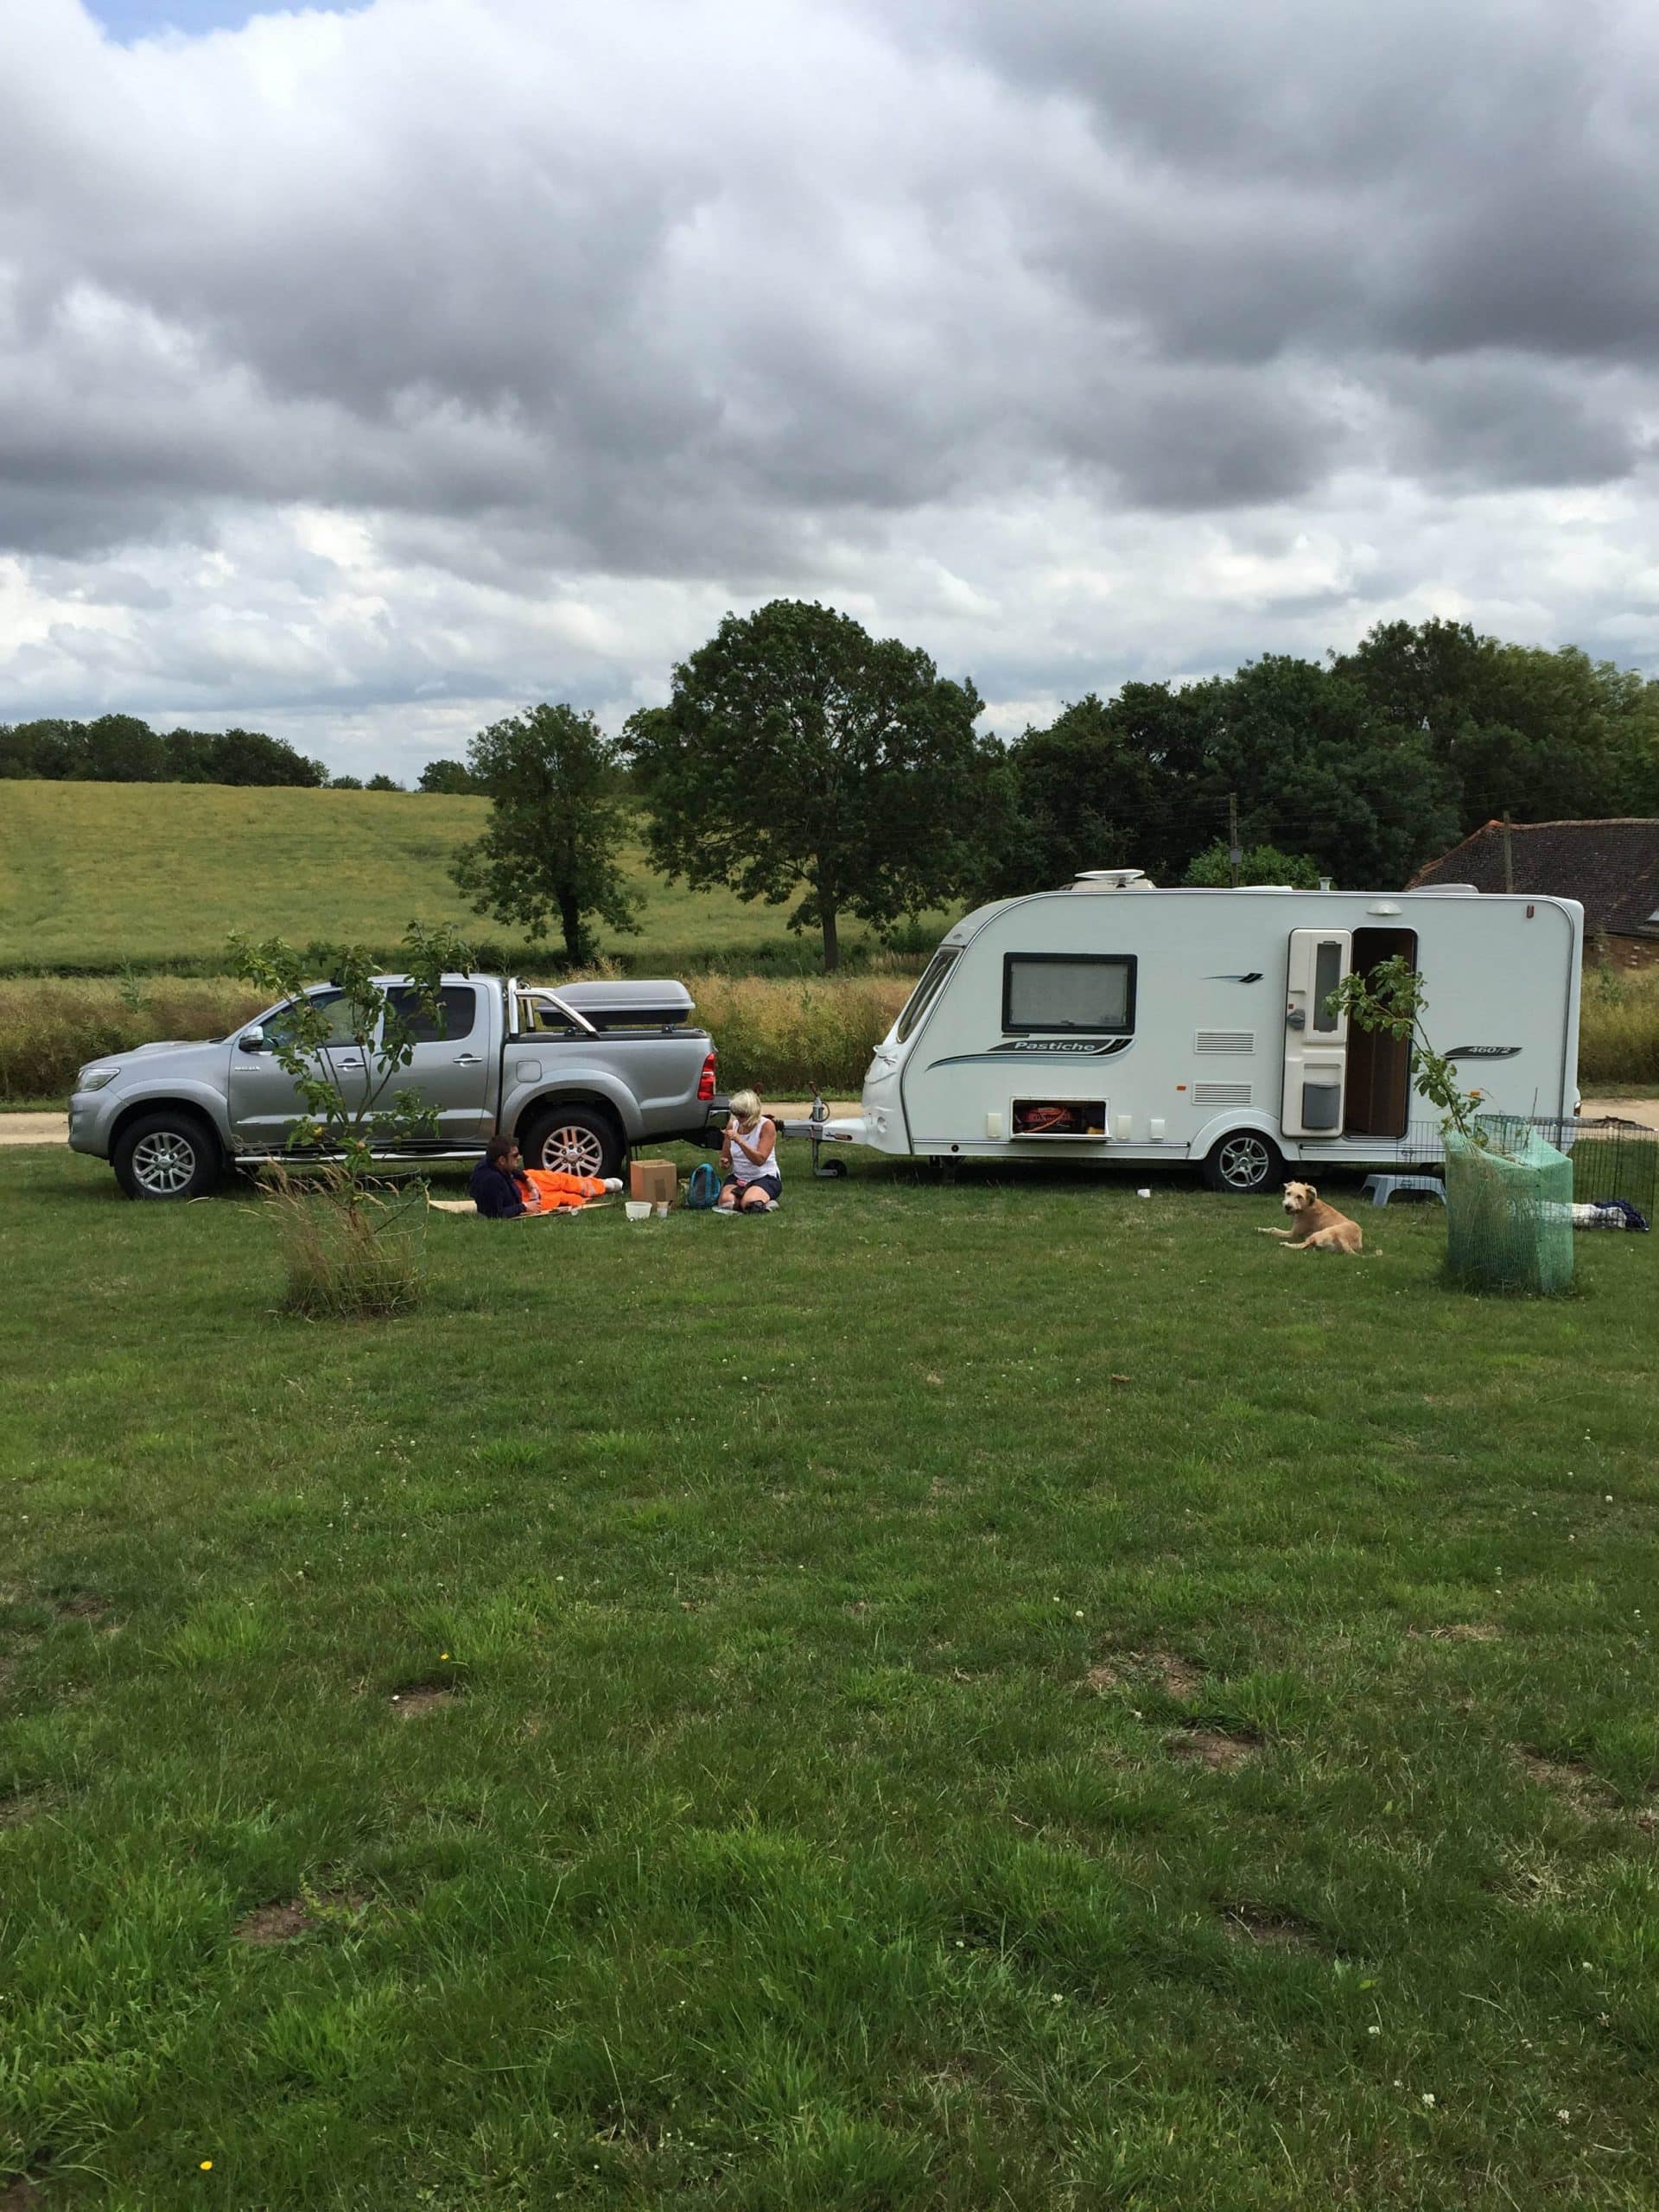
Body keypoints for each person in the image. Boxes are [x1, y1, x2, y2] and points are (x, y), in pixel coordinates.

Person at [469, 1132, 620, 1218]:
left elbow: (511, 1169)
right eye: (515, 1156)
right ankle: (589, 1194)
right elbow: (496, 1214)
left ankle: (601, 1185)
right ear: (502, 1160)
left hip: (519, 1185)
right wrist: (525, 1207)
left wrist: (527, 1180)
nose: (519, 1157)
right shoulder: (490, 1183)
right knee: (562, 1198)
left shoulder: (493, 1162)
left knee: (559, 1180)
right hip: (521, 1201)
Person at [717, 1090, 781, 1213]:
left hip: (763, 1176)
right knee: (727, 1203)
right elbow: (725, 1157)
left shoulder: (767, 1126)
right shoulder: (733, 1125)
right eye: (735, 1113)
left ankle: (764, 1200)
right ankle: (758, 1199)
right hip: (739, 1176)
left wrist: (740, 1141)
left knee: (749, 1205)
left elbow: (760, 1160)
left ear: (751, 1113)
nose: (738, 1118)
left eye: (741, 1114)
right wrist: (724, 1162)